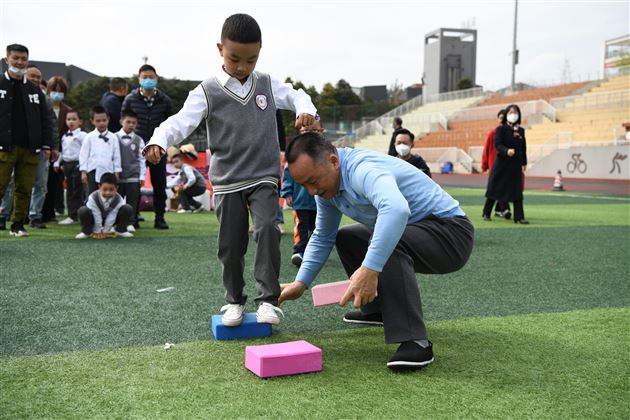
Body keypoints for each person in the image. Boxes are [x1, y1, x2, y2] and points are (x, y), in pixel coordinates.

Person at [144, 13, 320, 327]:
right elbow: (180, 122)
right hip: (226, 181)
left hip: (264, 174)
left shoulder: (266, 83)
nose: (242, 67)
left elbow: (296, 94)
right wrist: (158, 139)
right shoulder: (206, 91)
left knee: (267, 229)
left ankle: (268, 300)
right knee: (230, 245)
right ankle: (233, 301)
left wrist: (306, 108)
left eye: (251, 60)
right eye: (234, 58)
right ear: (220, 49)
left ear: (260, 52)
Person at [279, 132, 474, 370]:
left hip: (451, 234)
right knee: (348, 237)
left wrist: (370, 268)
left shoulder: (363, 169)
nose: (311, 191)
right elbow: (323, 236)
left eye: (313, 181)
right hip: (420, 230)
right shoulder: (326, 188)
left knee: (385, 241)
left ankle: (416, 341)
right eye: (304, 185)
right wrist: (300, 283)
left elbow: (396, 210)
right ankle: (377, 310)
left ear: (333, 161)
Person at [0, 43, 52, 237]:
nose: (19, 62)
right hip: (4, 147)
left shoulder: (34, 90)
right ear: (7, 60)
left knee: (25, 189)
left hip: (30, 149)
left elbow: (45, 119)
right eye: (15, 58)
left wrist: (47, 145)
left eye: (23, 59)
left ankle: (18, 225)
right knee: (1, 186)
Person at [122, 64, 172, 229]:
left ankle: (160, 218)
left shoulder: (164, 100)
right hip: (135, 149)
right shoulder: (130, 99)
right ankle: (133, 218)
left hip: (158, 148)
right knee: (135, 184)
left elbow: (170, 125)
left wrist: (167, 145)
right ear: (139, 79)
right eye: (145, 77)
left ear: (156, 79)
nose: (148, 80)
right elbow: (124, 122)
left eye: (151, 77)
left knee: (160, 185)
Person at [483, 104, 529, 224]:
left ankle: (519, 217)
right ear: (506, 115)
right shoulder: (500, 129)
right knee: (495, 188)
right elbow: (497, 144)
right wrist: (506, 151)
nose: (513, 115)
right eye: (510, 112)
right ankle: (486, 213)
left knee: (517, 190)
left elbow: (523, 148)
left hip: (515, 164)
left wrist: (524, 162)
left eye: (515, 112)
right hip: (501, 163)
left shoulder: (521, 130)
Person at [41, 75, 71, 223]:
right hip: (43, 148)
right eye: (54, 90)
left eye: (60, 90)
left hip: (59, 153)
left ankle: (50, 212)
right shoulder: (42, 105)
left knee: (54, 184)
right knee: (40, 183)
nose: (57, 93)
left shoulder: (68, 111)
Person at [75, 172, 133, 239]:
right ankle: (87, 232)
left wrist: (106, 231)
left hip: (111, 220)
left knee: (127, 208)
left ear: (117, 188)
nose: (108, 192)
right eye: (105, 189)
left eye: (111, 189)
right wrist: (98, 231)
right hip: (94, 218)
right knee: (83, 210)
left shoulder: (119, 199)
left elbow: (113, 215)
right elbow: (96, 214)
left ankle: (121, 230)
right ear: (99, 187)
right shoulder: (93, 197)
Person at [280, 162, 316, 267]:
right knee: (301, 227)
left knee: (317, 229)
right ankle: (299, 251)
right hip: (301, 201)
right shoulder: (294, 156)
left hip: (319, 200)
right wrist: (287, 192)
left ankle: (313, 253)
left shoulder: (320, 152)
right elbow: (288, 174)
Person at [79, 105, 121, 194]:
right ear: (92, 121)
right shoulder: (89, 137)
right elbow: (83, 155)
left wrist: (117, 172)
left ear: (108, 119)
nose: (101, 123)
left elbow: (117, 156)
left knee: (107, 193)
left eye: (104, 120)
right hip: (92, 170)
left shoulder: (113, 137)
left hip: (108, 170)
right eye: (98, 121)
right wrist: (83, 171)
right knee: (92, 194)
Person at [116, 109, 145, 229]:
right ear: (121, 122)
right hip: (118, 177)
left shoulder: (139, 140)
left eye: (134, 123)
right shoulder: (114, 137)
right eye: (128, 122)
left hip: (133, 176)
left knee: (132, 201)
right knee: (116, 201)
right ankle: (116, 222)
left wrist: (142, 176)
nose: (131, 125)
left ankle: (131, 222)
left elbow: (142, 159)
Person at [55, 110, 86, 224]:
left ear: (80, 121)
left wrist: (82, 166)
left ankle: (75, 215)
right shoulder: (64, 136)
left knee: (77, 191)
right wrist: (58, 162)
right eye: (68, 119)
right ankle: (72, 214)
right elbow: (63, 152)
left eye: (74, 119)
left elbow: (84, 151)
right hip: (67, 165)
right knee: (69, 190)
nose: (71, 122)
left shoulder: (83, 136)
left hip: (77, 164)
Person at [481, 109, 511, 220]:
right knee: (494, 188)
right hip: (495, 165)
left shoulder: (510, 133)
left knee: (503, 187)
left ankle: (500, 209)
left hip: (506, 165)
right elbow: (487, 149)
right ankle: (491, 211)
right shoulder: (493, 133)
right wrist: (484, 165)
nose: (501, 120)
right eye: (500, 117)